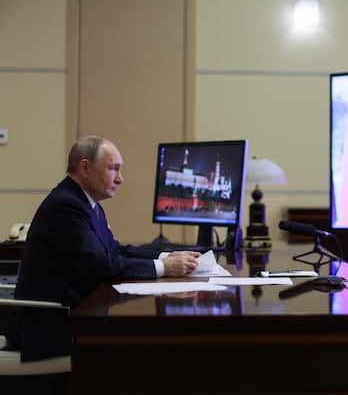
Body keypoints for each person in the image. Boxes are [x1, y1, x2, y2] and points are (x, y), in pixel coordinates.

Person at [5, 136, 201, 363]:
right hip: (48, 327)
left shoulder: (86, 203)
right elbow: (100, 266)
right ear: (85, 167)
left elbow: (114, 250)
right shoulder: (65, 206)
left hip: (70, 315)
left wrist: (167, 256)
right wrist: (164, 267)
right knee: (143, 350)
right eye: (113, 169)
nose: (120, 179)